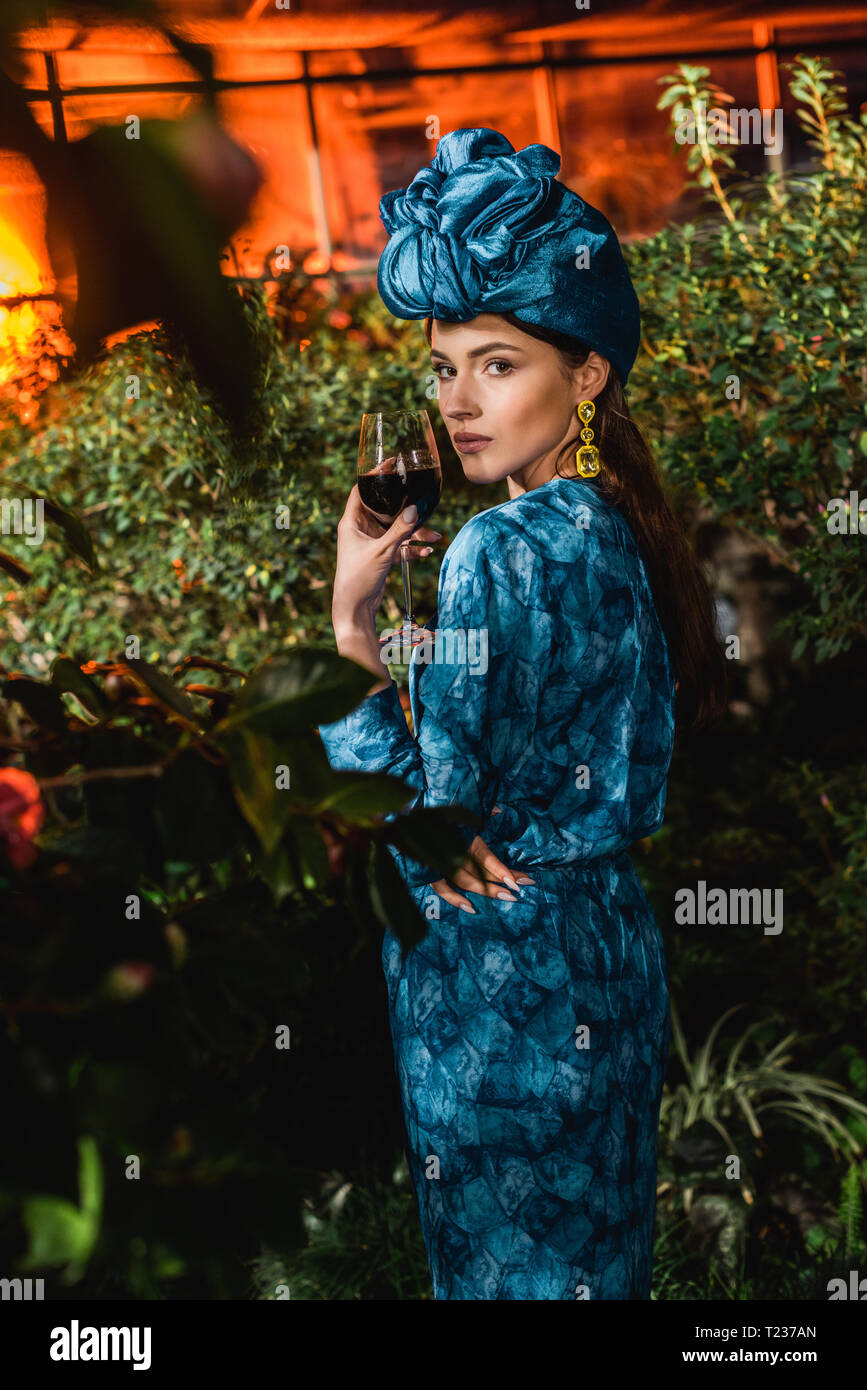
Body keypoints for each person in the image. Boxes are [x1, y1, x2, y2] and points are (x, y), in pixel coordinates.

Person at [318, 127, 728, 1300]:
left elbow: (429, 817)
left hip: (499, 977)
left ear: (585, 371)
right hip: (604, 944)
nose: (458, 400)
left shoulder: (498, 545)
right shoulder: (619, 523)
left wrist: (350, 625)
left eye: (497, 364)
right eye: (443, 368)